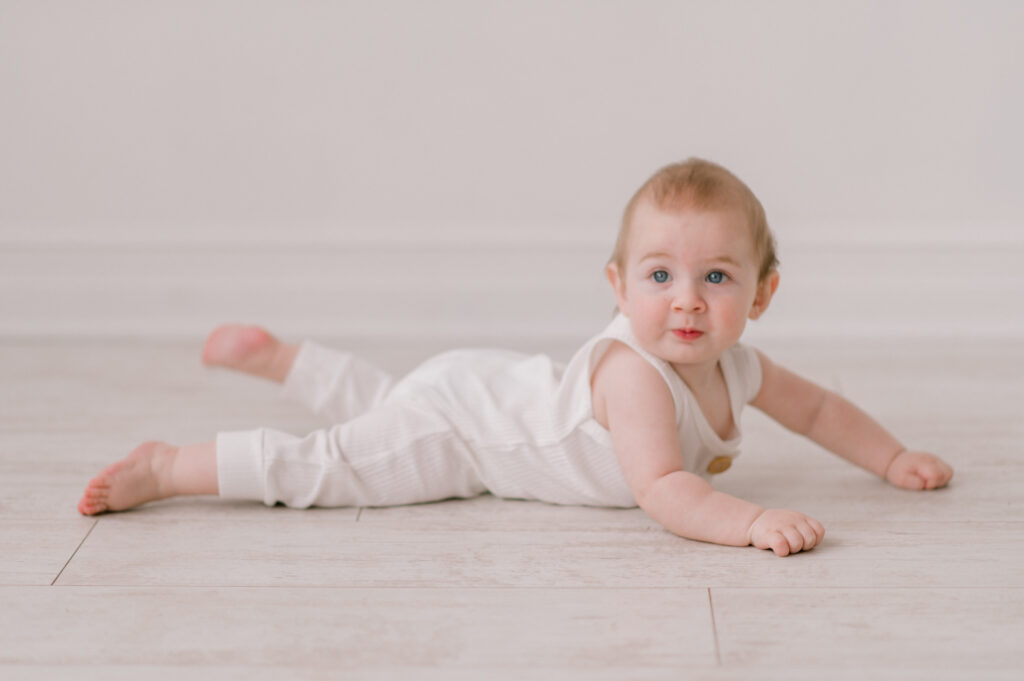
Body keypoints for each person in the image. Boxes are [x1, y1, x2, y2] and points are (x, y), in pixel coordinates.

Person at [77, 158, 954, 557]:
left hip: (478, 386)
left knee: (387, 405)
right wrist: (751, 520)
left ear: (761, 295)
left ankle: (290, 362)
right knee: (340, 465)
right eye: (660, 274)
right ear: (618, 286)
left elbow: (819, 410)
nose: (686, 297)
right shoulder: (637, 377)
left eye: (715, 275)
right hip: (468, 434)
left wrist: (891, 455)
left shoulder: (737, 368)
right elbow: (666, 491)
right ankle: (171, 466)